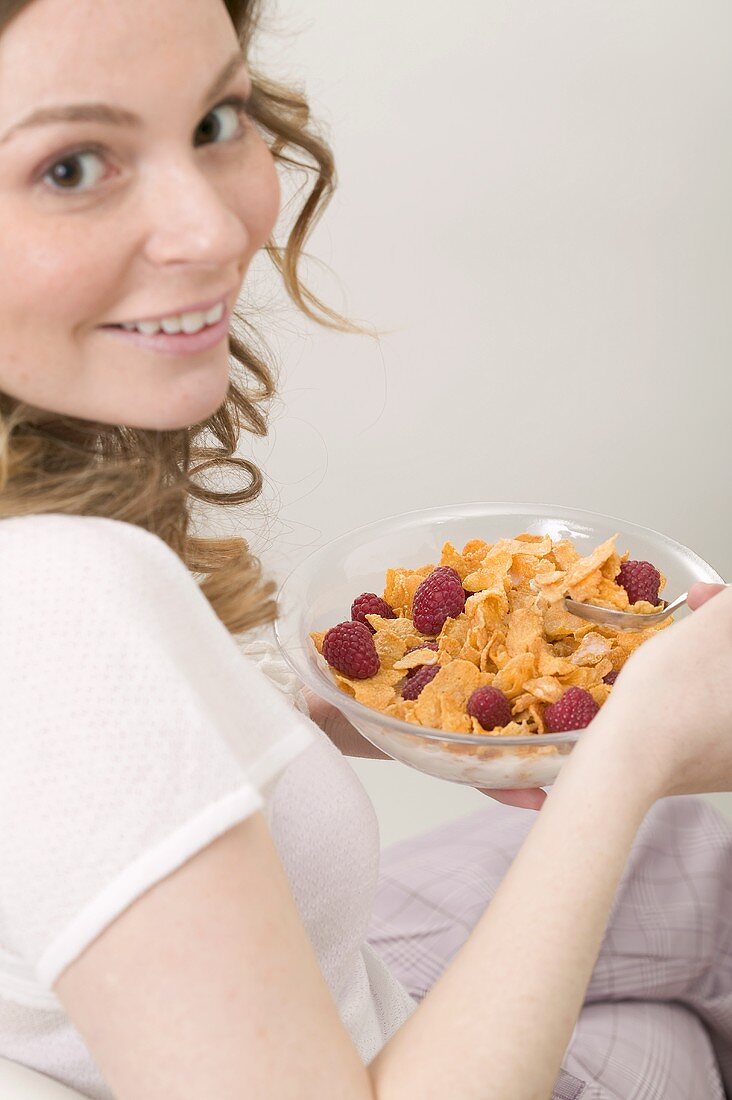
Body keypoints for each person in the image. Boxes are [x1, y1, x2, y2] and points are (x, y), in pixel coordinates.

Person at [0, 1, 730, 1097]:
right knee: (680, 978)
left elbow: (68, 779)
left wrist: (294, 718)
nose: (211, 230)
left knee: (691, 876)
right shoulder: (63, 596)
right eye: (71, 167)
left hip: (283, 993)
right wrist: (632, 752)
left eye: (215, 121)